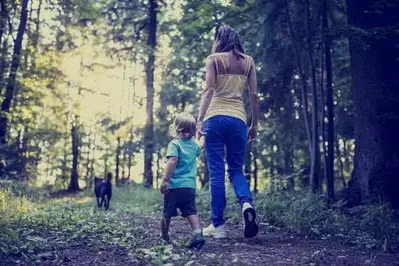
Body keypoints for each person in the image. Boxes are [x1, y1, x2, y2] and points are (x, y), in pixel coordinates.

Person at [197, 25, 259, 239]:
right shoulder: (249, 62)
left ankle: (219, 226)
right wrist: (255, 124)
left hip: (214, 118)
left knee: (216, 173)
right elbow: (253, 95)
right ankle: (246, 204)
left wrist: (199, 120)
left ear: (219, 39)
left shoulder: (213, 59)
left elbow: (208, 90)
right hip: (238, 120)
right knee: (236, 171)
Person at [160, 113, 205, 249]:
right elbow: (202, 145)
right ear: (192, 130)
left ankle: (164, 236)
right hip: (189, 187)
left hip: (174, 186)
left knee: (167, 213)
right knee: (191, 212)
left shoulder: (174, 144)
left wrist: (165, 180)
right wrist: (203, 133)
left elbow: (172, 160)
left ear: (176, 128)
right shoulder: (194, 146)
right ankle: (197, 234)